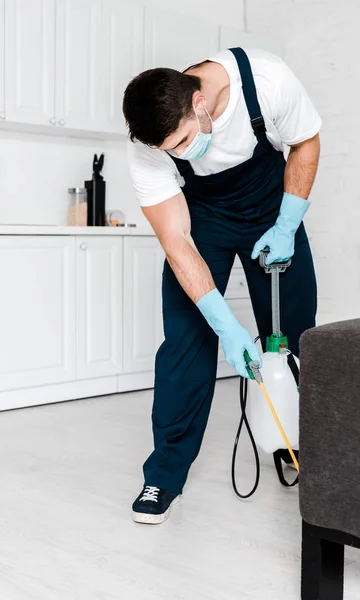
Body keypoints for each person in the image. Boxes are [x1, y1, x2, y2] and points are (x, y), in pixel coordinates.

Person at [123, 47, 321, 525]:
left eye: (184, 140)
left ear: (199, 103)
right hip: (201, 219)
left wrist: (288, 222)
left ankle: (293, 447)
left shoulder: (268, 79)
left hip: (270, 206)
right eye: (169, 149)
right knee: (185, 345)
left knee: (296, 337)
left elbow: (306, 142)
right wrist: (226, 326)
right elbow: (176, 240)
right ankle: (164, 476)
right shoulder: (148, 144)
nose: (178, 152)